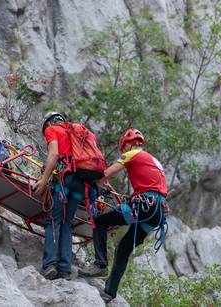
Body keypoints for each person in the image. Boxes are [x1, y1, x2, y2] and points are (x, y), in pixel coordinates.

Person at [79, 128, 168, 303]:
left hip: (144, 205)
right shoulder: (155, 161)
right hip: (157, 212)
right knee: (123, 249)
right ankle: (109, 292)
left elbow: (106, 174)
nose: (124, 151)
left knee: (100, 222)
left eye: (124, 148)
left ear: (129, 144)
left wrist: (89, 184)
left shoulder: (133, 154)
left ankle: (100, 264)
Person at [34, 112, 103, 280]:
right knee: (66, 223)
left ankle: (50, 265)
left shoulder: (53, 130)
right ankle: (64, 269)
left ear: (49, 123)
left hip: (65, 181)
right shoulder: (79, 134)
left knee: (53, 220)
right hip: (82, 185)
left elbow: (54, 154)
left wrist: (43, 180)